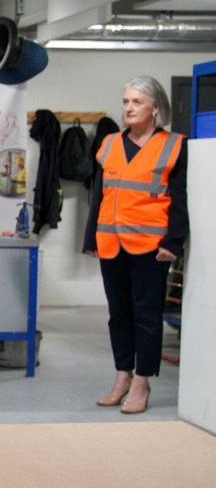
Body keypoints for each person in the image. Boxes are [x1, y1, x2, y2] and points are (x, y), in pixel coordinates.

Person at [85, 75, 188, 415]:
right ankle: (122, 376)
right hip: (111, 242)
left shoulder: (174, 146)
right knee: (118, 315)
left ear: (155, 108)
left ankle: (142, 380)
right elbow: (99, 195)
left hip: (151, 245)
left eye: (137, 102)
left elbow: (179, 199)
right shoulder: (110, 143)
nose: (129, 108)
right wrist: (90, 238)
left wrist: (173, 241)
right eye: (126, 101)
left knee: (146, 316)